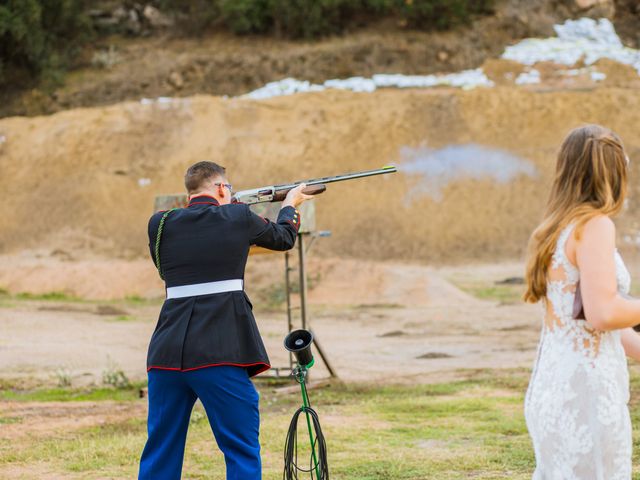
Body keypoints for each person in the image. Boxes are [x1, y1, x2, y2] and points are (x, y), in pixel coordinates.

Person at [138, 161, 312, 480]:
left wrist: (233, 209)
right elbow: (284, 238)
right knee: (241, 449)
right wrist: (290, 204)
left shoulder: (159, 224)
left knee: (160, 450)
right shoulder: (237, 216)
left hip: (165, 353)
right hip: (219, 351)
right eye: (228, 188)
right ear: (221, 188)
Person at [523, 124, 640, 479]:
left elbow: (584, 318)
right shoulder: (595, 225)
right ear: (612, 171)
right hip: (587, 390)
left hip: (555, 383)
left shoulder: (554, 228)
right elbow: (604, 313)